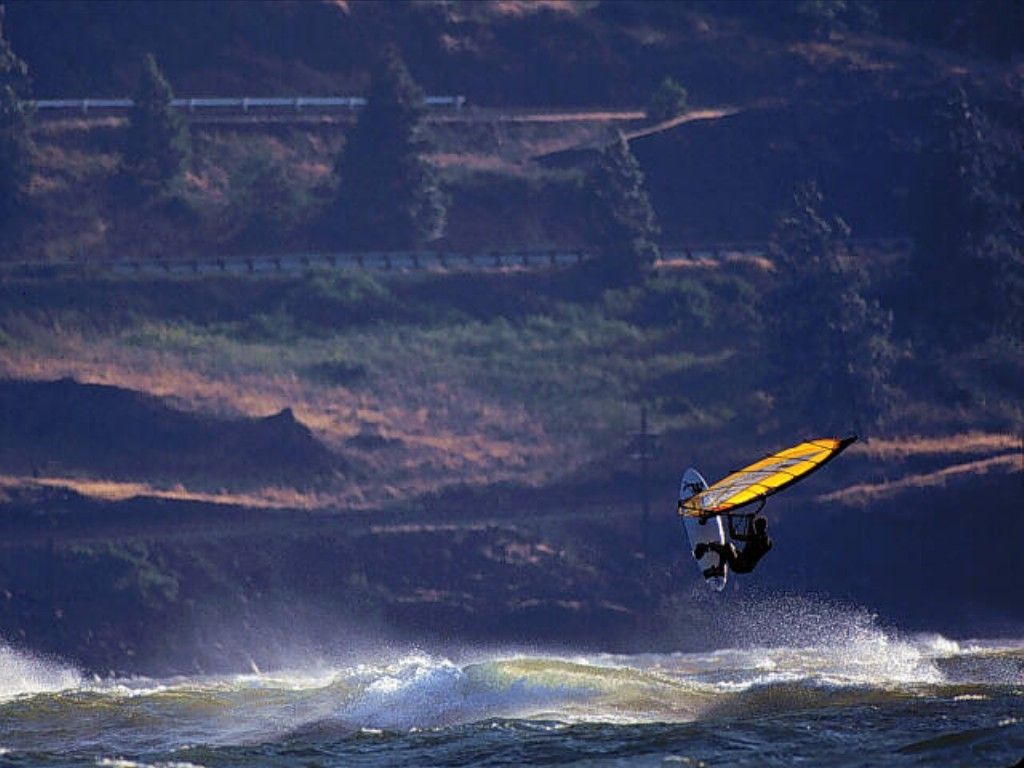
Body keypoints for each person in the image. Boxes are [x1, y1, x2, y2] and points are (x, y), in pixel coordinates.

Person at [693, 514, 772, 579]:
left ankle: (705, 548)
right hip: (741, 559)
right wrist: (730, 520)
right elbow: (733, 535)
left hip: (741, 565)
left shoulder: (763, 541)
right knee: (727, 547)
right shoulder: (756, 537)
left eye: (756, 526)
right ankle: (719, 569)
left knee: (728, 547)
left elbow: (755, 539)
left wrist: (750, 521)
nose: (755, 528)